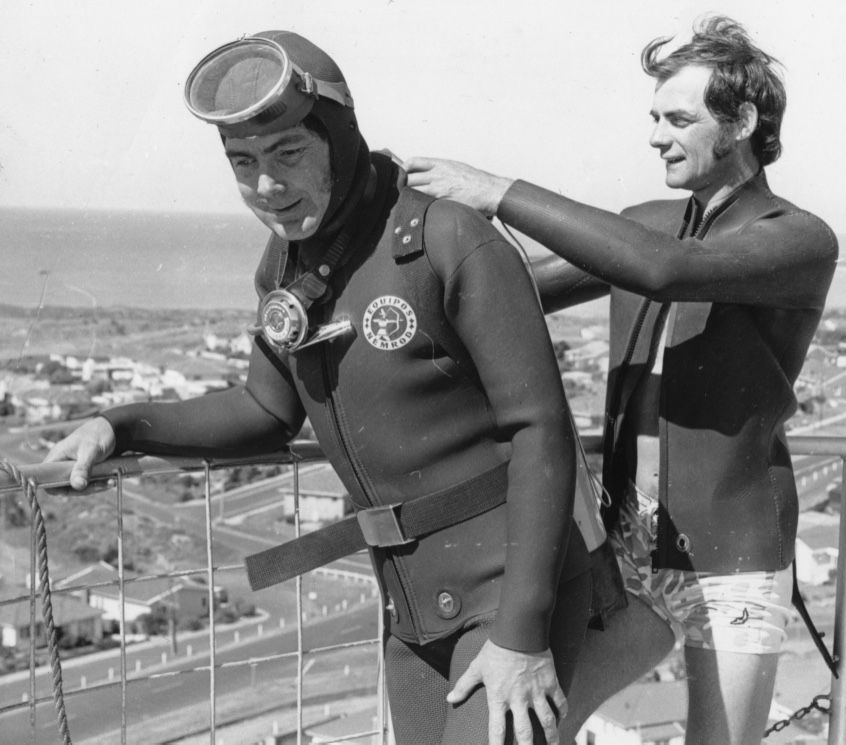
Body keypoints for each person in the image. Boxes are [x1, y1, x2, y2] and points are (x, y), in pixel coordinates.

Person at [44, 30, 593, 745]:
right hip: (414, 610)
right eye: (242, 163)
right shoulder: (286, 265)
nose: (266, 187)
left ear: (338, 136)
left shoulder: (449, 237)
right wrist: (120, 424)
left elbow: (540, 427)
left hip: (510, 598)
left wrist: (521, 631)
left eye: (288, 155)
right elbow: (263, 410)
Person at [405, 15, 838, 745]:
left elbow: (660, 270)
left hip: (727, 565)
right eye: (653, 117)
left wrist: (500, 191)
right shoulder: (646, 223)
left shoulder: (794, 238)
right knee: (510, 734)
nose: (655, 135)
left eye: (678, 118)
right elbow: (518, 294)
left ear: (742, 122)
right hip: (630, 554)